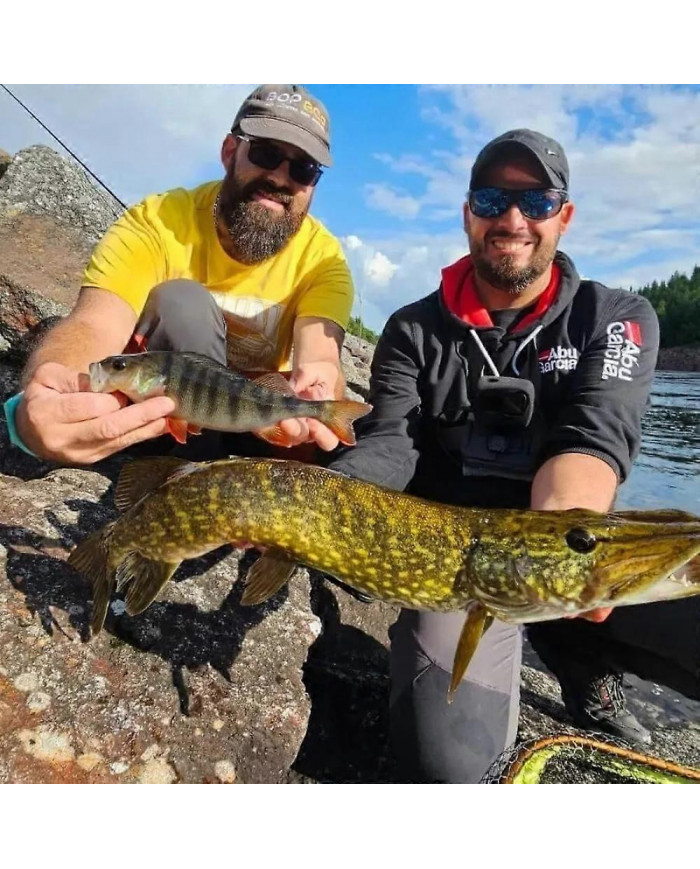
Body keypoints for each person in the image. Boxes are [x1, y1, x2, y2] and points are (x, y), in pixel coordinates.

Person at [328, 129, 671, 783]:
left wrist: (568, 551)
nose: (513, 219)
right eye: (492, 198)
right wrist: (318, 500)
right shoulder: (412, 330)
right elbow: (388, 447)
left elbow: (592, 441)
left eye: (536, 201)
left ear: (563, 216)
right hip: (465, 571)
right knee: (448, 765)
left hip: (563, 539)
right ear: (468, 213)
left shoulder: (616, 318)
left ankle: (578, 654)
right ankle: (545, 641)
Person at [4, 84, 354, 464]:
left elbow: (321, 355)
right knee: (181, 303)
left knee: (312, 443)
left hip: (263, 431)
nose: (282, 178)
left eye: (303, 169)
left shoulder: (325, 260)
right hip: (165, 430)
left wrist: (321, 384)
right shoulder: (157, 222)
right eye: (266, 153)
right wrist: (46, 398)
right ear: (229, 151)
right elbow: (93, 326)